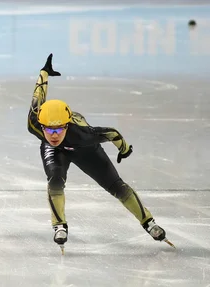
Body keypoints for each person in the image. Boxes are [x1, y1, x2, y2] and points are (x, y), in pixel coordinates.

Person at [27, 54, 174, 253]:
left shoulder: (84, 134)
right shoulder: (35, 125)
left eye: (59, 129)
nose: (54, 135)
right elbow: (38, 96)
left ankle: (148, 222)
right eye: (49, 130)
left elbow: (112, 133)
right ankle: (59, 225)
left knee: (117, 186)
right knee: (55, 179)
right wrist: (44, 72)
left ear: (67, 125)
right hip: (57, 152)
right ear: (41, 126)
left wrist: (125, 148)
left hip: (85, 151)